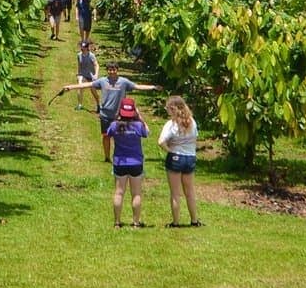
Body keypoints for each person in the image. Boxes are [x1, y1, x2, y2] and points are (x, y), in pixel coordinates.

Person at [59, 62, 161, 162]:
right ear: (107, 71)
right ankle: (107, 157)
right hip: (105, 115)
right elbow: (87, 84)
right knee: (106, 136)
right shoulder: (102, 81)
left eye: (114, 70)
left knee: (120, 137)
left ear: (117, 70)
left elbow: (137, 86)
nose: (112, 72)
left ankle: (119, 155)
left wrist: (153, 87)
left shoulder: (124, 82)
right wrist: (70, 87)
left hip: (119, 116)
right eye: (109, 70)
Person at [158, 95, 201, 228]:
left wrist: (170, 150)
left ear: (173, 109)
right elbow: (195, 139)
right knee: (190, 191)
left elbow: (161, 141)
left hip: (176, 158)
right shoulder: (192, 122)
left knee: (175, 193)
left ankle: (176, 222)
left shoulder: (171, 124)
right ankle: (194, 220)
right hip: (190, 157)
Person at [107, 98, 149, 228]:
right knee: (136, 193)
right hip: (136, 162)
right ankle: (136, 222)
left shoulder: (114, 125)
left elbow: (108, 134)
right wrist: (140, 117)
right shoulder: (138, 126)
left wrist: (116, 118)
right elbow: (147, 132)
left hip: (119, 163)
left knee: (119, 192)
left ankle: (117, 222)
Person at [74, 40, 99, 111]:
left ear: (87, 47)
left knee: (93, 91)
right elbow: (79, 65)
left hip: (91, 76)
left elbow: (96, 65)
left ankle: (98, 104)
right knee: (80, 87)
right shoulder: (79, 55)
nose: (83, 48)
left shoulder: (91, 56)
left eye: (84, 47)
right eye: (82, 47)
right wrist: (78, 73)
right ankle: (79, 105)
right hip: (83, 74)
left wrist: (96, 74)